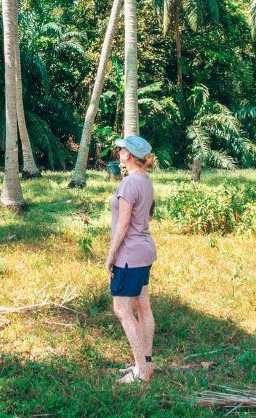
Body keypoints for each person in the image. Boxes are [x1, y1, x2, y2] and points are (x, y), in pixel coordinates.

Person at [105, 134, 158, 384]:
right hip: (145, 250)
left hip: (129, 255)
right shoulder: (145, 180)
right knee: (143, 307)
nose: (118, 153)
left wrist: (110, 255)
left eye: (120, 150)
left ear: (127, 156)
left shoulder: (128, 184)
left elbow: (123, 224)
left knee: (122, 310)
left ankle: (142, 371)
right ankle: (146, 363)